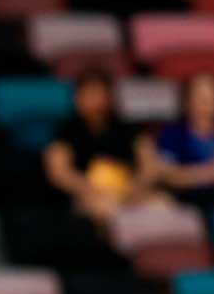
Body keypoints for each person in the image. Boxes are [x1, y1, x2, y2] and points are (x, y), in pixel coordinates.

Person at [44, 71, 155, 228]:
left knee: (163, 206)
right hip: (88, 194)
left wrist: (134, 187)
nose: (95, 101)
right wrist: (90, 188)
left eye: (99, 94)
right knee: (106, 210)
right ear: (77, 98)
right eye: (88, 95)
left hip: (131, 190)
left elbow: (149, 166)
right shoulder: (66, 131)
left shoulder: (130, 128)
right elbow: (59, 172)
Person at [142, 73, 214, 203]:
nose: (207, 103)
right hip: (187, 205)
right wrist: (213, 173)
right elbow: (169, 175)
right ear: (187, 102)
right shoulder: (172, 134)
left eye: (213, 97)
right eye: (201, 97)